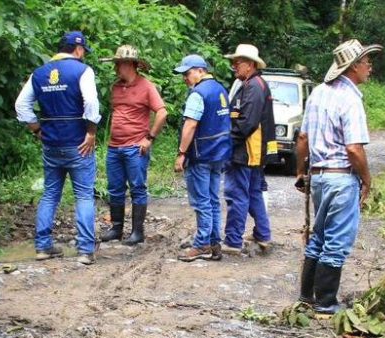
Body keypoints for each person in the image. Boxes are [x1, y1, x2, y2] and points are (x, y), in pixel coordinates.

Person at [294, 39, 381, 313]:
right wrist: (367, 179)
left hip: (320, 177)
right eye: (367, 63)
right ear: (354, 66)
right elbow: (354, 149)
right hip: (342, 178)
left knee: (319, 236)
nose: (370, 68)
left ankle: (307, 296)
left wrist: (300, 171)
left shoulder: (318, 93)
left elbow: (303, 138)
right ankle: (326, 302)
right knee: (336, 241)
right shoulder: (351, 99)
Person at [14, 31, 101, 265]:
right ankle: (84, 250)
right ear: (79, 49)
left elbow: (21, 105)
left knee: (51, 194)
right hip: (78, 145)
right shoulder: (83, 71)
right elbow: (91, 102)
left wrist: (36, 129)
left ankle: (43, 247)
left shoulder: (39, 73)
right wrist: (91, 132)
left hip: (51, 145)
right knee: (83, 195)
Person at [99, 45, 168, 245]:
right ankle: (117, 229)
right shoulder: (116, 87)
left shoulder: (146, 86)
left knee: (137, 188)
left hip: (135, 148)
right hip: (114, 147)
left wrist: (149, 138)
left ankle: (138, 232)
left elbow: (162, 112)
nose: (116, 68)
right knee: (115, 188)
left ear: (130, 65)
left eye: (119, 64)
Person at [173, 54, 232, 263]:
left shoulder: (198, 94)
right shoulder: (221, 89)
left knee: (202, 202)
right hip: (219, 154)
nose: (185, 79)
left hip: (200, 155)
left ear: (200, 70)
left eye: (187, 74)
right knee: (213, 200)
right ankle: (215, 244)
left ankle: (202, 244)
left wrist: (181, 153)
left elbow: (190, 125)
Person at [221, 44, 277, 255]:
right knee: (253, 193)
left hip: (245, 151)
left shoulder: (253, 87)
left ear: (251, 65)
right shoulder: (253, 84)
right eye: (234, 62)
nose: (234, 66)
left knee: (237, 194)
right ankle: (263, 235)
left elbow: (246, 123)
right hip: (252, 152)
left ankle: (233, 241)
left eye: (239, 62)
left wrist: (227, 142)